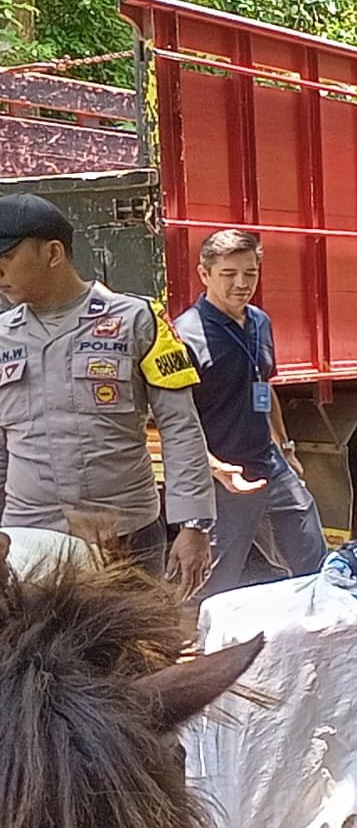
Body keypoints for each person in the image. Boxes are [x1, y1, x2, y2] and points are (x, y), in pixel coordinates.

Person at [0, 193, 214, 595]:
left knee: (129, 636)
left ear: (53, 253)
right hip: (28, 537)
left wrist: (194, 524)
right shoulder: (2, 336)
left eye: (7, 257)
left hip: (124, 536)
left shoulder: (137, 320)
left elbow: (180, 427)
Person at [173, 230, 327, 597]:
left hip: (271, 464)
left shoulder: (259, 322)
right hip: (222, 479)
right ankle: (191, 634)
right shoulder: (186, 336)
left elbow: (263, 385)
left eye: (250, 273)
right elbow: (173, 421)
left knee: (314, 561)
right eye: (228, 274)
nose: (241, 284)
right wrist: (215, 468)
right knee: (211, 586)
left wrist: (285, 447)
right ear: (204, 274)